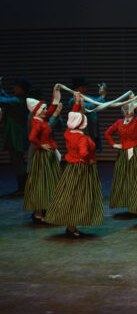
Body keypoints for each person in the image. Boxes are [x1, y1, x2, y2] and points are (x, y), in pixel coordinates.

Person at [45, 92, 103, 237]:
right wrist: (89, 154)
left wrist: (77, 103)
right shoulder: (82, 139)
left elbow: (74, 118)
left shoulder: (69, 133)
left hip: (71, 168)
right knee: (78, 197)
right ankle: (72, 227)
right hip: (81, 168)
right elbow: (84, 153)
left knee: (70, 195)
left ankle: (71, 226)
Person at [23, 85, 62, 223]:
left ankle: (44, 211)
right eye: (43, 108)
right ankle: (38, 213)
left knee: (48, 182)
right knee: (42, 183)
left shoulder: (42, 118)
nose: (46, 110)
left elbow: (52, 108)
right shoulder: (36, 121)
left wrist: (55, 93)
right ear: (38, 110)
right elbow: (32, 137)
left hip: (48, 153)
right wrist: (41, 144)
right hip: (41, 155)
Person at [104, 101, 137, 213]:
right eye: (125, 110)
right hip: (123, 153)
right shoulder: (119, 122)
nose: (127, 111)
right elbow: (107, 133)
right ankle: (127, 201)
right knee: (123, 177)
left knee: (136, 176)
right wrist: (113, 144)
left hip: (135, 151)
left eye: (129, 109)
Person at [0, 77, 32, 197]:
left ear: (22, 89)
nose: (14, 89)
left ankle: (22, 189)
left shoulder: (18, 101)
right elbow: (7, 98)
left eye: (17, 87)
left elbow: (3, 100)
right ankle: (23, 188)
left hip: (16, 136)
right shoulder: (20, 100)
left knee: (17, 161)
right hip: (17, 134)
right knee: (18, 161)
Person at [67, 77, 107, 152]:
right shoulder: (73, 100)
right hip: (83, 132)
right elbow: (89, 107)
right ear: (76, 89)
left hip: (92, 130)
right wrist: (102, 97)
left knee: (92, 152)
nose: (85, 89)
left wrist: (102, 94)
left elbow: (98, 103)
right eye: (83, 87)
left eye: (85, 87)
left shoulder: (86, 97)